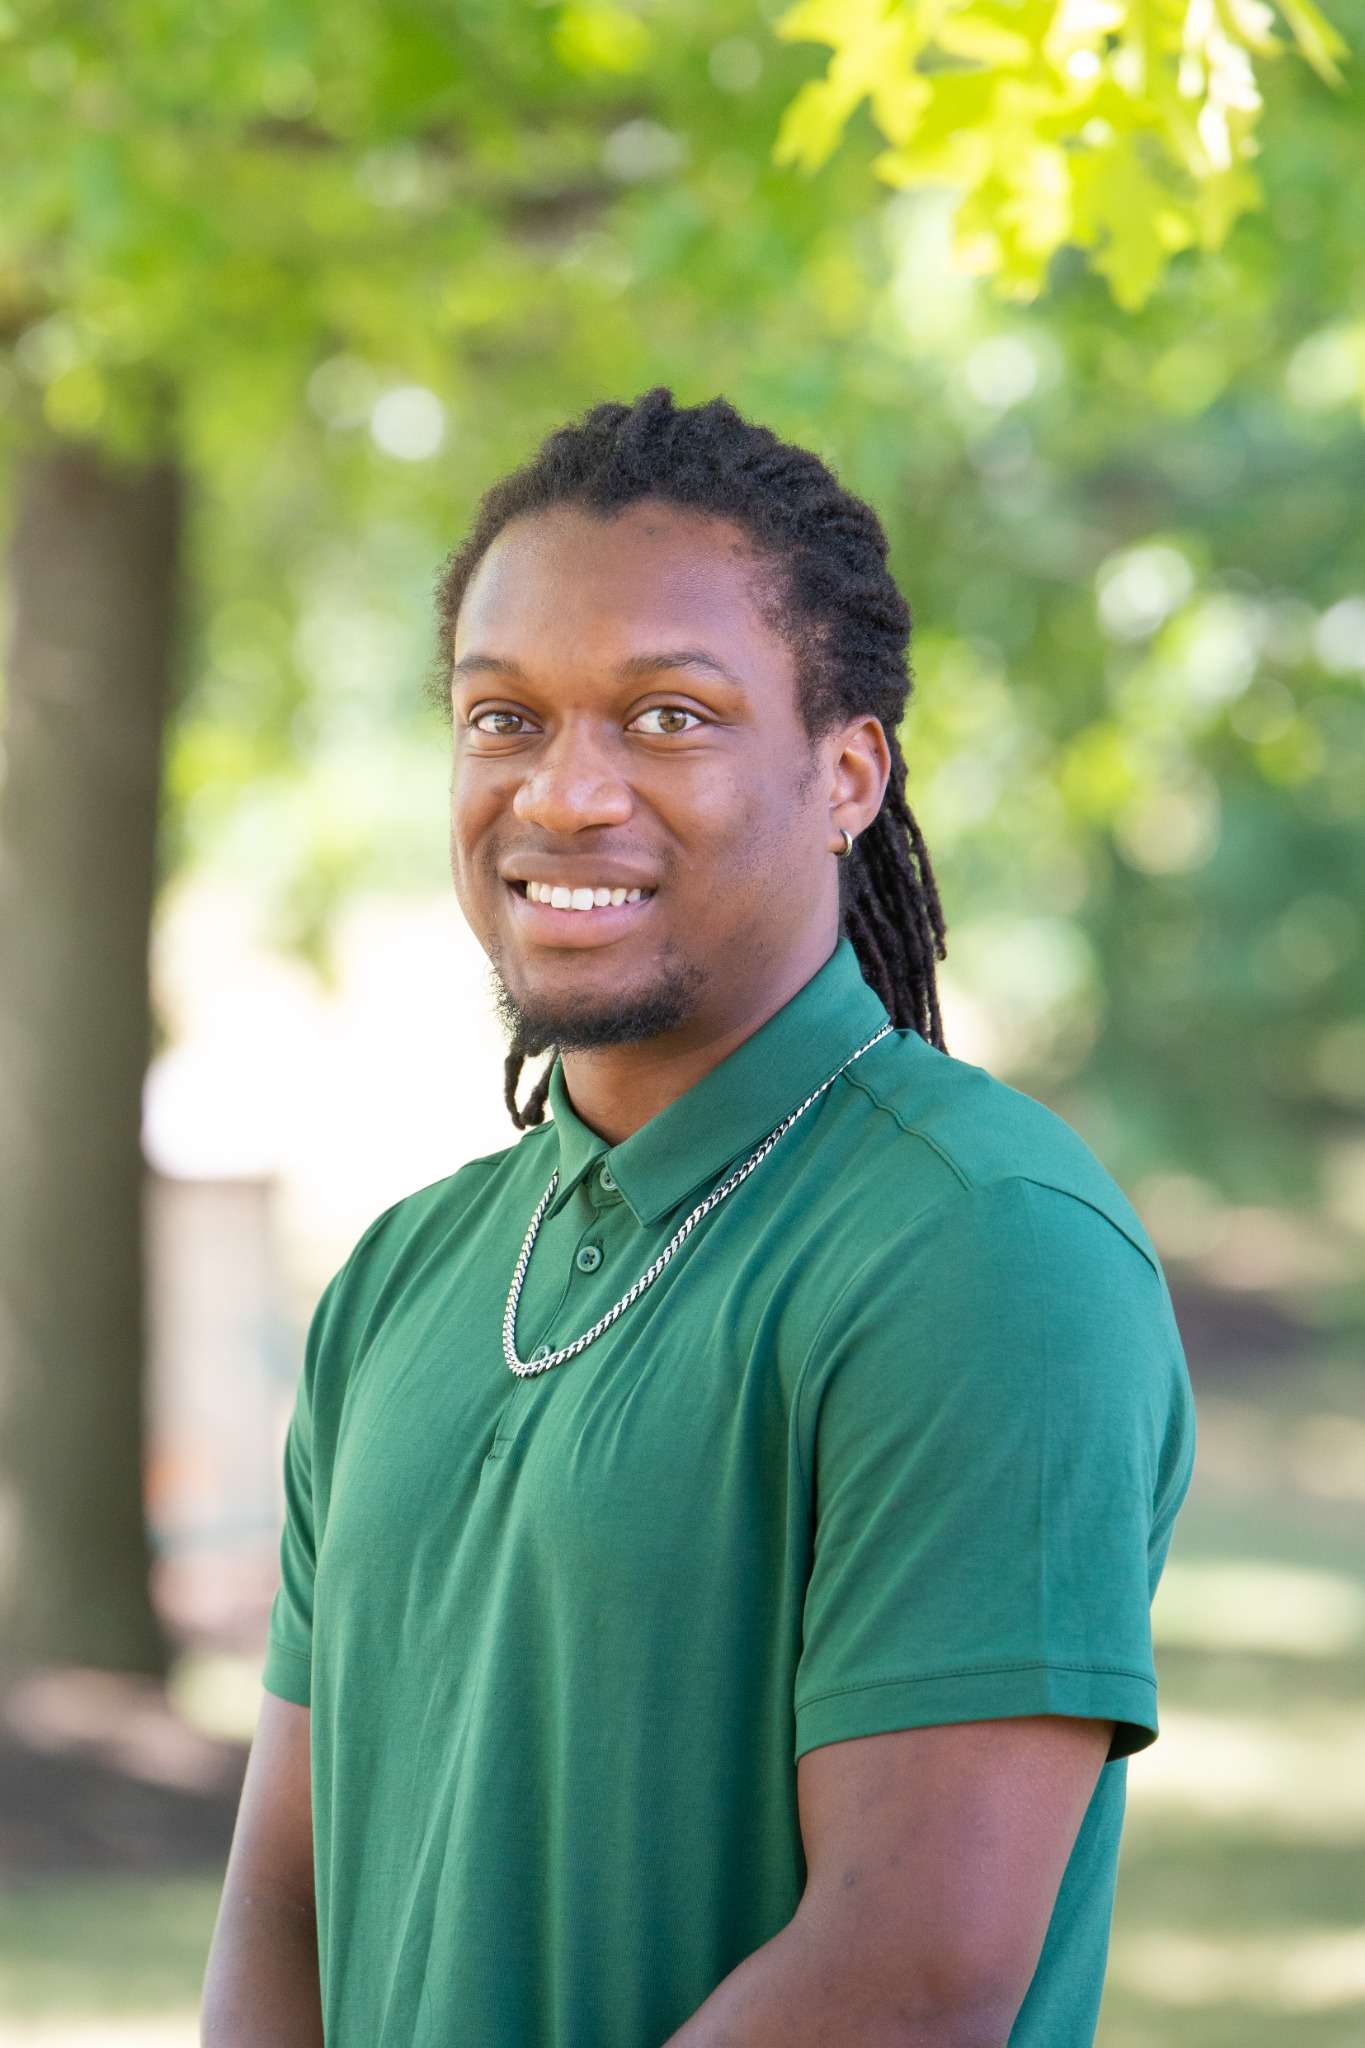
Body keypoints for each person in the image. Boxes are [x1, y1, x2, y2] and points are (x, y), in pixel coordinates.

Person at [202, 387, 1197, 2048]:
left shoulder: (981, 1248)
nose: (563, 795)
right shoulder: (404, 1275)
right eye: (501, 717)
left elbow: (907, 1981)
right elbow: (289, 1896)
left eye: (666, 717)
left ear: (844, 774)